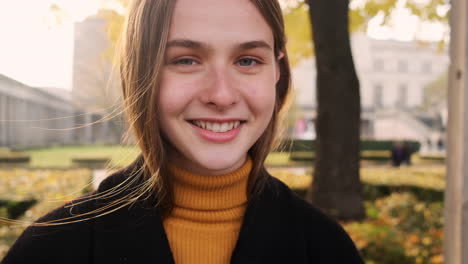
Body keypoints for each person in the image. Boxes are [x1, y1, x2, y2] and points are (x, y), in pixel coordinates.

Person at [2, 0, 363, 263]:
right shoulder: (52, 249)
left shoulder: (326, 248)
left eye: (248, 60)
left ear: (277, 71)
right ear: (141, 72)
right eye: (186, 60)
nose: (221, 95)